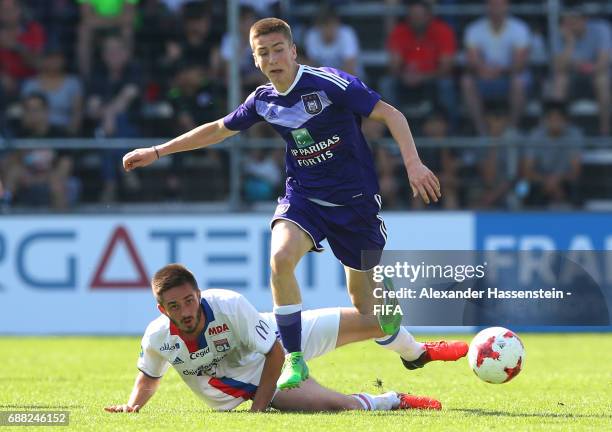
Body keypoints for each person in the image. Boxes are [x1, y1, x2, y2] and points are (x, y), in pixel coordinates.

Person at [122, 17, 453, 391]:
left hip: (353, 202)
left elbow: (391, 114)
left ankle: (410, 348)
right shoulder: (263, 101)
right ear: (256, 60)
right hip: (303, 198)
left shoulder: (329, 83)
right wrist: (157, 151)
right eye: (264, 53)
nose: (273, 58)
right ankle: (295, 359)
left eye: (279, 49)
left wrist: (413, 163)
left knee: (368, 309)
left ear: (293, 51)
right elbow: (217, 129)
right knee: (280, 260)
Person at [105, 264, 462, 413]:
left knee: (378, 319)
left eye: (189, 300)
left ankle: (416, 353)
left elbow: (276, 352)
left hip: (277, 339)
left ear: (198, 294)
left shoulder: (228, 305)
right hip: (254, 381)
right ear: (161, 308)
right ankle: (393, 400)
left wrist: (257, 417)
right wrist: (133, 405)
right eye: (174, 305)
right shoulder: (158, 337)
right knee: (341, 407)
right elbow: (149, 378)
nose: (185, 310)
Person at [461, 0, 531, 135]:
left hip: (509, 76)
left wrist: (500, 71)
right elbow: (472, 60)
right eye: (492, 4)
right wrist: (483, 70)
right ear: (486, 6)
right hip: (483, 77)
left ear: (507, 6)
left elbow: (520, 63)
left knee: (520, 81)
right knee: (466, 81)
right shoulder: (474, 29)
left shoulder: (519, 28)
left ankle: (511, 128)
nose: (496, 9)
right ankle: (481, 129)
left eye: (500, 4)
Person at [551, 6, 611, 136]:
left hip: (595, 76)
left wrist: (586, 67)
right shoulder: (561, 34)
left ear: (585, 19)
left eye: (573, 21)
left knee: (602, 79)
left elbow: (603, 62)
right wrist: (569, 44)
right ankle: (562, 131)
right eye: (566, 22)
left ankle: (605, 131)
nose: (570, 26)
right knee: (559, 80)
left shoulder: (601, 29)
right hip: (573, 77)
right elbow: (558, 67)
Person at [521, 100, 582, 208]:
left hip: (563, 181)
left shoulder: (574, 135)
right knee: (522, 188)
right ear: (545, 121)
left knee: (576, 190)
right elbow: (527, 170)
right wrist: (547, 182)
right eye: (551, 119)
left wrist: (556, 181)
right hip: (540, 181)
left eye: (558, 119)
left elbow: (575, 172)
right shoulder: (535, 135)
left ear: (566, 121)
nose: (555, 123)